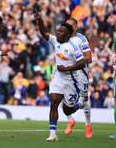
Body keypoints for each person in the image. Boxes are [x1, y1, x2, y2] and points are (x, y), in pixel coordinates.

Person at [34, 9, 86, 142]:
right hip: (58, 79)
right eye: (57, 31)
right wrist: (40, 20)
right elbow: (45, 33)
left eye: (61, 31)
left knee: (67, 110)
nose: (58, 33)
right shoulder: (56, 41)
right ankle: (53, 134)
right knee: (53, 103)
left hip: (71, 82)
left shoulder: (73, 47)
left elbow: (82, 63)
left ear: (68, 34)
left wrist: (66, 68)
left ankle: (80, 103)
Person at [64, 18, 93, 138]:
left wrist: (74, 62)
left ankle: (88, 125)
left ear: (76, 27)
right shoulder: (62, 38)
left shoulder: (81, 39)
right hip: (67, 74)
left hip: (81, 74)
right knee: (60, 96)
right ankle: (71, 120)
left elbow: (89, 58)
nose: (68, 28)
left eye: (71, 26)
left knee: (83, 103)